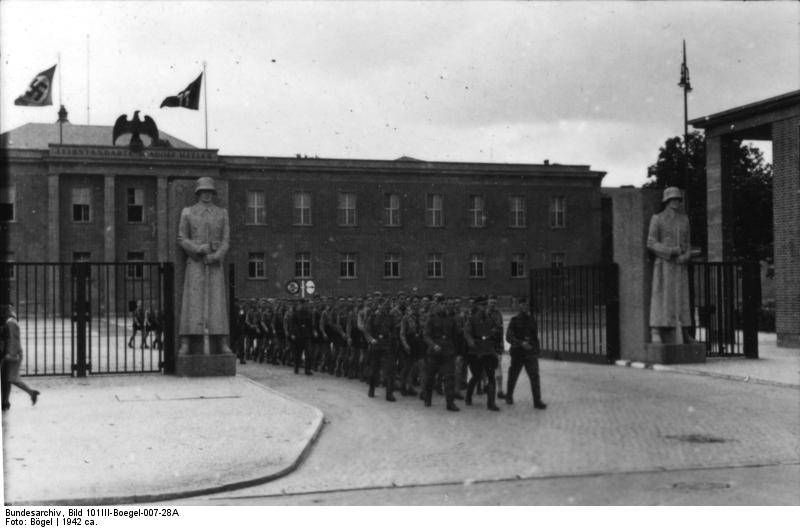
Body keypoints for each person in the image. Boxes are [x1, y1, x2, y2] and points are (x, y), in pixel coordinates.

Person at [177, 176, 231, 355]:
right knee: (192, 303)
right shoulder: (188, 212)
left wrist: (216, 256)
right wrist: (198, 248)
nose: (206, 194)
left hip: (214, 265)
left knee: (217, 303)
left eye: (209, 191)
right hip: (195, 264)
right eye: (203, 191)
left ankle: (221, 341)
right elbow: (182, 238)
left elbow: (226, 240)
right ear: (198, 193)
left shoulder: (222, 213)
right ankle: (186, 342)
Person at [647, 186, 693, 344]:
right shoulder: (657, 218)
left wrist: (686, 256)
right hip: (664, 265)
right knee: (662, 299)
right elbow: (651, 243)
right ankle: (656, 330)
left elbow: (688, 245)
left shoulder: (684, 219)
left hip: (680, 266)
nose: (676, 202)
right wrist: (671, 251)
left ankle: (685, 331)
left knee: (682, 300)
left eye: (678, 199)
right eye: (672, 199)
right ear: (666, 200)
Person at [505, 297, 546, 410]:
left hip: (530, 353)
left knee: (534, 376)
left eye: (526, 305)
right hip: (518, 353)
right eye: (523, 305)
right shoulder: (514, 321)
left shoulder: (532, 320)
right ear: (519, 306)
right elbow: (508, 337)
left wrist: (537, 351)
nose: (525, 307)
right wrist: (521, 343)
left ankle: (537, 401)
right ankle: (509, 396)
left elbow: (535, 337)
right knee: (513, 375)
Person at [422, 295, 460, 412]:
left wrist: (457, 353)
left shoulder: (452, 319)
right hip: (434, 352)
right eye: (441, 304)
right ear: (436, 305)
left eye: (445, 304)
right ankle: (427, 398)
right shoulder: (431, 318)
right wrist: (433, 345)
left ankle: (450, 402)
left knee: (449, 377)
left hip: (448, 352)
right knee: (430, 377)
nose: (443, 306)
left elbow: (456, 337)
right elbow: (426, 335)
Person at [464, 296, 502, 411]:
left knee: (491, 376)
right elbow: (467, 332)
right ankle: (468, 396)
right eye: (482, 305)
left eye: (485, 305)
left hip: (488, 350)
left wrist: (495, 335)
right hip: (476, 351)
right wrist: (471, 342)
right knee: (476, 376)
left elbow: (497, 329)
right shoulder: (471, 318)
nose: (484, 307)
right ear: (477, 306)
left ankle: (491, 403)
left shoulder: (490, 318)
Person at [1, 304, 40, 410]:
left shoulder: (10, 323)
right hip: (15, 353)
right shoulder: (12, 321)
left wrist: (11, 354)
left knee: (11, 378)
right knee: (11, 378)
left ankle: (31, 393)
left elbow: (13, 340)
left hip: (14, 354)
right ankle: (32, 393)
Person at [364, 296, 398, 401]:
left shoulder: (391, 317)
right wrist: (371, 339)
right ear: (378, 306)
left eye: (386, 306)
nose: (384, 308)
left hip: (387, 346)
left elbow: (394, 331)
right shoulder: (372, 317)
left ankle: (389, 394)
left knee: (390, 370)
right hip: (376, 346)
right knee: (374, 370)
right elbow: (367, 331)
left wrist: (392, 338)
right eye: (382, 305)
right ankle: (372, 388)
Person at [289, 298, 314, 375]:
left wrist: (312, 332)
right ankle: (296, 367)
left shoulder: (309, 313)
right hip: (298, 335)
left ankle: (307, 370)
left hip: (307, 335)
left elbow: (311, 324)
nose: (302, 305)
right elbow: (292, 324)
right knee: (298, 353)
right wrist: (292, 333)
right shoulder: (295, 313)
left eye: (303, 304)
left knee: (309, 353)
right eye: (301, 304)